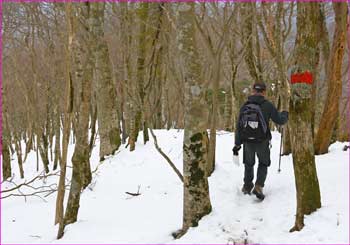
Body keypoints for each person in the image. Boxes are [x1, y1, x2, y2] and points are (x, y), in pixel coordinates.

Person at [232, 82, 288, 200]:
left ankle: (247, 186)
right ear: (264, 92)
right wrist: (285, 114)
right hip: (262, 141)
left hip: (247, 141)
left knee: (248, 164)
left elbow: (239, 126)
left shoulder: (245, 105)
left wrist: (237, 144)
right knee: (263, 163)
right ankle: (258, 186)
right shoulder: (267, 105)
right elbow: (280, 121)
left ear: (253, 91)